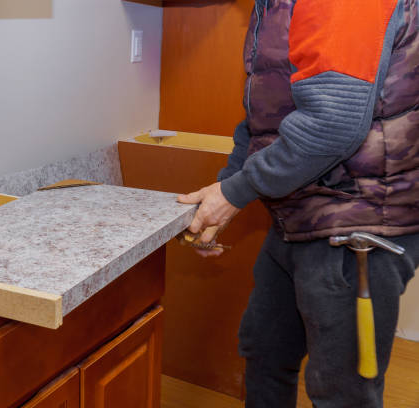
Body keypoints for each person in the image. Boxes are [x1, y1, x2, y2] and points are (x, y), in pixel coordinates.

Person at [177, 0, 419, 407]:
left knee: (341, 391)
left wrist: (234, 195)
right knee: (265, 352)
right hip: (300, 214)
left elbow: (331, 125)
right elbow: (263, 120)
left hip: (356, 225)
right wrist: (224, 193)